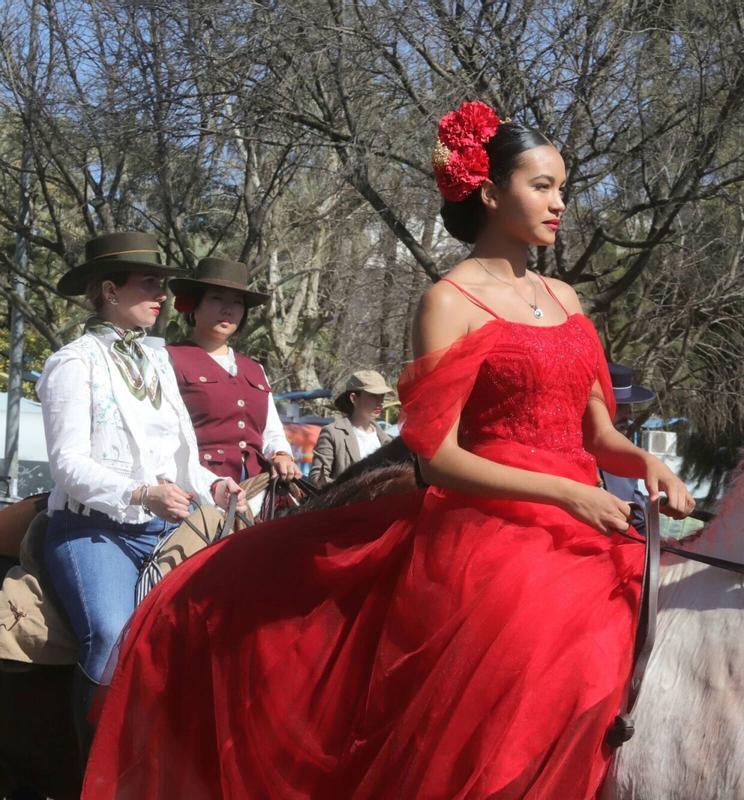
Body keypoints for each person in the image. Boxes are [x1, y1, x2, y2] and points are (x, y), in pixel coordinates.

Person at [81, 101, 695, 799]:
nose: (561, 204)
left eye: (562, 188)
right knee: (546, 652)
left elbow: (598, 434)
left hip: (586, 520)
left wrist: (641, 462)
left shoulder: (568, 299)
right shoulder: (449, 300)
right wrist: (567, 492)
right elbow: (435, 458)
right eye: (543, 186)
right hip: (492, 532)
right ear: (491, 193)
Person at [36, 232, 245, 761]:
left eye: (163, 284)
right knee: (110, 634)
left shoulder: (157, 361)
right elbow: (67, 464)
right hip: (91, 529)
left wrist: (213, 485)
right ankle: (94, 773)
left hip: (159, 527)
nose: (163, 294)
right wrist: (141, 492)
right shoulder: (72, 362)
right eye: (150, 283)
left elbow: (182, 460)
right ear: (109, 289)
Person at [165, 257, 301, 486]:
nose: (228, 309)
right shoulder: (166, 359)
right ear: (193, 304)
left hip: (256, 492)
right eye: (216, 298)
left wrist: (282, 455)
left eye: (237, 302)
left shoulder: (255, 369)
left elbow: (271, 431)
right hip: (195, 492)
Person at [308, 370, 395, 488]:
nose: (380, 402)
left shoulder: (387, 441)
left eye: (382, 396)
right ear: (354, 398)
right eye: (373, 396)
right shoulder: (332, 433)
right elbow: (317, 480)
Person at [599, 363, 657, 535]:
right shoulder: (564, 452)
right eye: (619, 406)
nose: (628, 415)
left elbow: (640, 521)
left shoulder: (626, 455)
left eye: (629, 407)